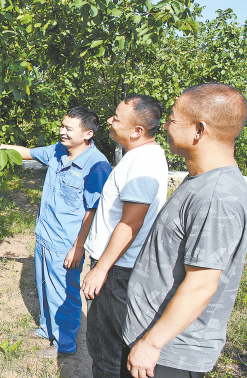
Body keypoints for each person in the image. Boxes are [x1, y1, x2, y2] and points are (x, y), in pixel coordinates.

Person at [122, 83, 247, 378]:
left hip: (168, 356)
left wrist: (152, 344)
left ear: (199, 130)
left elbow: (201, 285)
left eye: (172, 118)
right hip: (152, 342)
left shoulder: (216, 196)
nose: (165, 125)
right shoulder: (200, 180)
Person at [0, 107, 112, 358]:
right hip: (45, 235)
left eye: (69, 128)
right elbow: (27, 153)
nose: (62, 131)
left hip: (66, 244)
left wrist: (78, 248)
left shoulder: (97, 165)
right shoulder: (58, 150)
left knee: (66, 295)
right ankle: (47, 328)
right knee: (45, 286)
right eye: (62, 125)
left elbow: (93, 210)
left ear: (88, 133)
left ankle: (64, 344)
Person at [81, 94, 168, 377]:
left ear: (137, 131)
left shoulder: (142, 162)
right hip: (116, 266)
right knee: (107, 346)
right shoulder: (139, 156)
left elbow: (132, 221)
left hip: (117, 269)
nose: (109, 120)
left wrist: (101, 269)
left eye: (116, 117)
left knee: (107, 352)